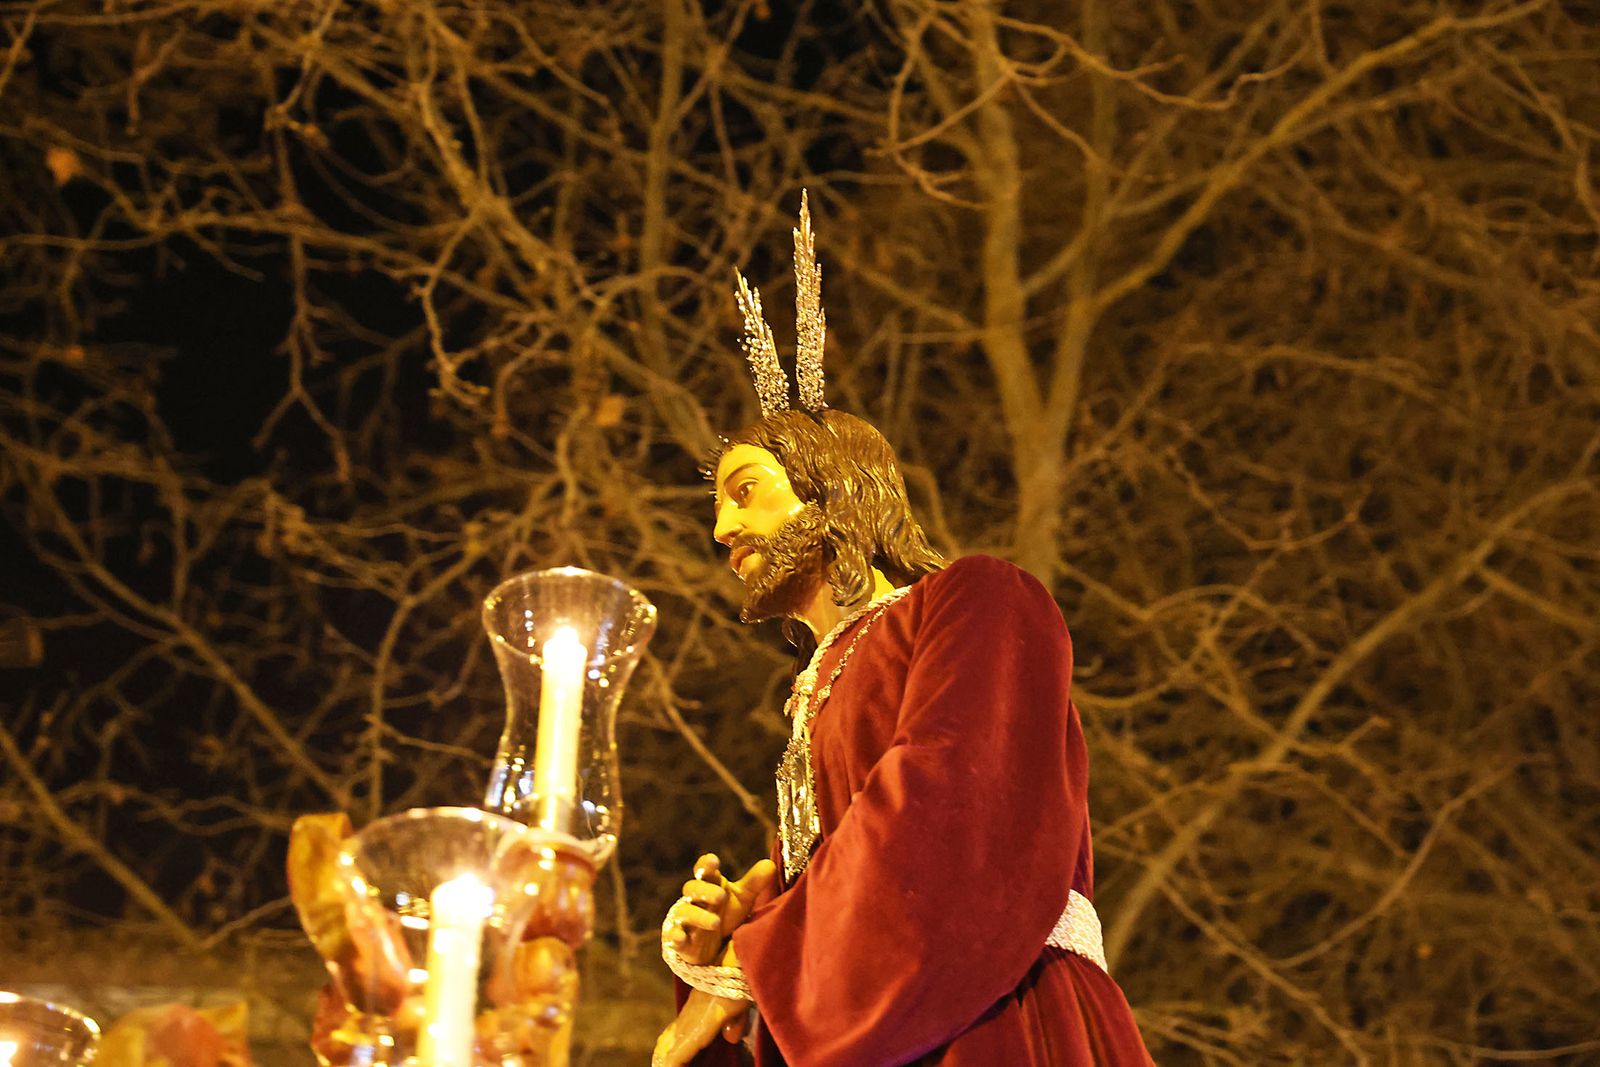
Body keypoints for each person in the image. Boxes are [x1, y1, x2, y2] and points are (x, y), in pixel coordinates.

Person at [651, 197, 1155, 1066]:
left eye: (745, 491)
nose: (722, 530)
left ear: (832, 489)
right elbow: (841, 913)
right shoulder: (812, 701)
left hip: (1000, 1019)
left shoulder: (975, 602)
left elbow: (945, 817)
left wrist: (760, 958)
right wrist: (745, 931)